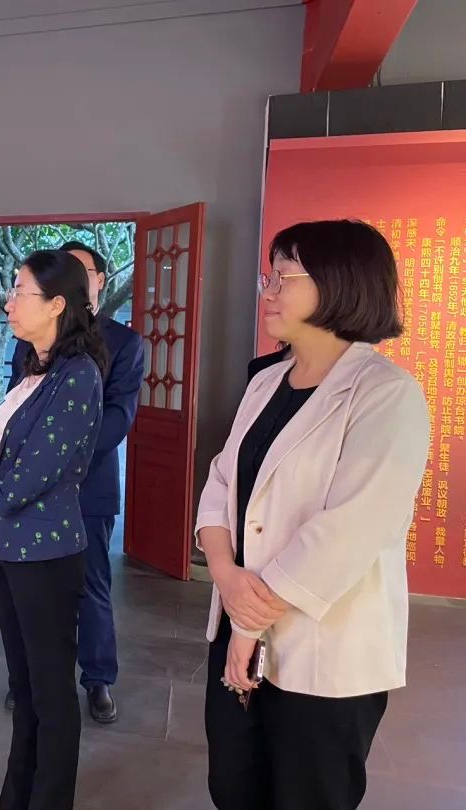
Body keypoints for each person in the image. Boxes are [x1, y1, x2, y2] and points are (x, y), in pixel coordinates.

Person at [197, 220, 430, 810]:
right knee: (234, 784)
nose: (268, 292)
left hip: (325, 648)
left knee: (309, 793)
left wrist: (247, 622)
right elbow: (223, 480)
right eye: (269, 278)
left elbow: (348, 530)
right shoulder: (266, 382)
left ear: (340, 284)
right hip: (238, 616)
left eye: (284, 278)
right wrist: (223, 573)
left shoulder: (386, 394)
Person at [0, 249, 107, 810]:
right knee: (24, 687)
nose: (9, 302)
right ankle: (14, 796)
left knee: (50, 692)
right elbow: (0, 455)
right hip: (11, 545)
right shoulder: (33, 368)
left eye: (20, 292)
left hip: (47, 553)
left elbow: (38, 470)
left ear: (56, 305)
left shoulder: (79, 375)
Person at [3, 239, 142, 722]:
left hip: (89, 485)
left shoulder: (123, 343)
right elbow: (15, 409)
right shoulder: (30, 342)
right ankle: (31, 678)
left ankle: (98, 677)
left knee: (92, 585)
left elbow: (118, 417)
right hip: (30, 491)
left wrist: (62, 454)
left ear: (96, 282)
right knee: (32, 596)